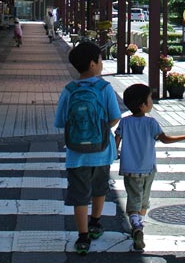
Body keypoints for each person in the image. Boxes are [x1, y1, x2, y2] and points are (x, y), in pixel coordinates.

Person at [54, 41, 121, 255]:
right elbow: (114, 118)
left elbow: (61, 121)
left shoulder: (69, 89)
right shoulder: (104, 88)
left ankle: (82, 237)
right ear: (93, 64)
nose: (101, 63)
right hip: (102, 152)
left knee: (79, 194)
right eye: (100, 60)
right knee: (99, 188)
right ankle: (96, 223)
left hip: (76, 154)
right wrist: (99, 129)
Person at [116, 84, 185, 251]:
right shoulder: (151, 123)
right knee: (144, 199)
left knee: (133, 198)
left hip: (130, 168)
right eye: (150, 99)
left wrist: (114, 152)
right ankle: (139, 225)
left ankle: (136, 225)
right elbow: (165, 139)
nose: (152, 102)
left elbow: (117, 140)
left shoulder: (125, 122)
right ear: (142, 105)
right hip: (148, 168)